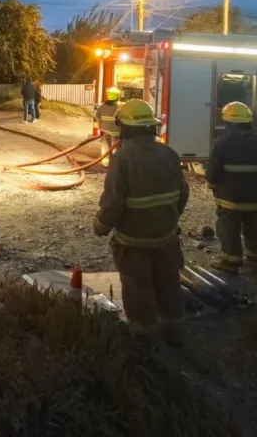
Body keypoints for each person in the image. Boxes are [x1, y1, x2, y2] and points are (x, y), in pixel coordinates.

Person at [94, 99, 190, 344]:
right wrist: (169, 217)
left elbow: (113, 201)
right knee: (169, 283)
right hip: (167, 237)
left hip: (133, 240)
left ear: (125, 127)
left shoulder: (122, 159)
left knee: (139, 286)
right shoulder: (169, 154)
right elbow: (183, 193)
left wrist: (102, 226)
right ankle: (176, 330)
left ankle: (144, 337)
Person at [206, 102, 257, 274]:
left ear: (229, 123)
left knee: (228, 228)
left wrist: (213, 184)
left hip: (231, 199)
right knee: (254, 227)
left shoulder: (223, 142)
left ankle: (231, 262)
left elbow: (213, 171)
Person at [96, 87, 121, 167]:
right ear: (117, 96)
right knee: (115, 148)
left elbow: (97, 117)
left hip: (105, 130)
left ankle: (106, 163)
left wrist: (100, 126)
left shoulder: (102, 106)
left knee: (105, 147)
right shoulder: (119, 107)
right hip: (116, 131)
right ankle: (115, 164)